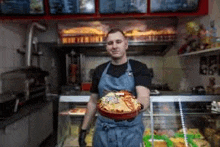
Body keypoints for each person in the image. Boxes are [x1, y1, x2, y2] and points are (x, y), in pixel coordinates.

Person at [78, 28, 152, 147]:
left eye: (118, 42)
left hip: (130, 132)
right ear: (106, 47)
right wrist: (83, 130)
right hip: (103, 132)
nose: (114, 46)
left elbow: (143, 97)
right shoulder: (99, 70)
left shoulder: (139, 68)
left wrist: (126, 112)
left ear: (126, 44)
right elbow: (93, 102)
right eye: (110, 43)